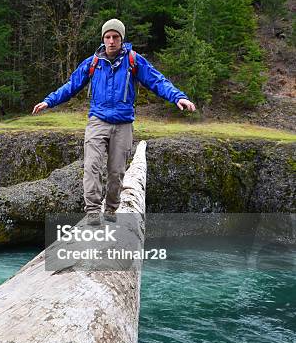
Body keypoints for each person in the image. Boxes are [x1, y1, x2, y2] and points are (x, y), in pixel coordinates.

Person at [32, 18, 196, 225]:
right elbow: (70, 86)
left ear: (121, 39)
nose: (111, 41)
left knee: (117, 171)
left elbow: (157, 81)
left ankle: (110, 208)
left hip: (123, 124)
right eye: (108, 37)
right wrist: (49, 101)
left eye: (115, 37)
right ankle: (92, 210)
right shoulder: (93, 63)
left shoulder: (134, 61)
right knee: (92, 165)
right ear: (103, 39)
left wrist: (177, 97)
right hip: (97, 121)